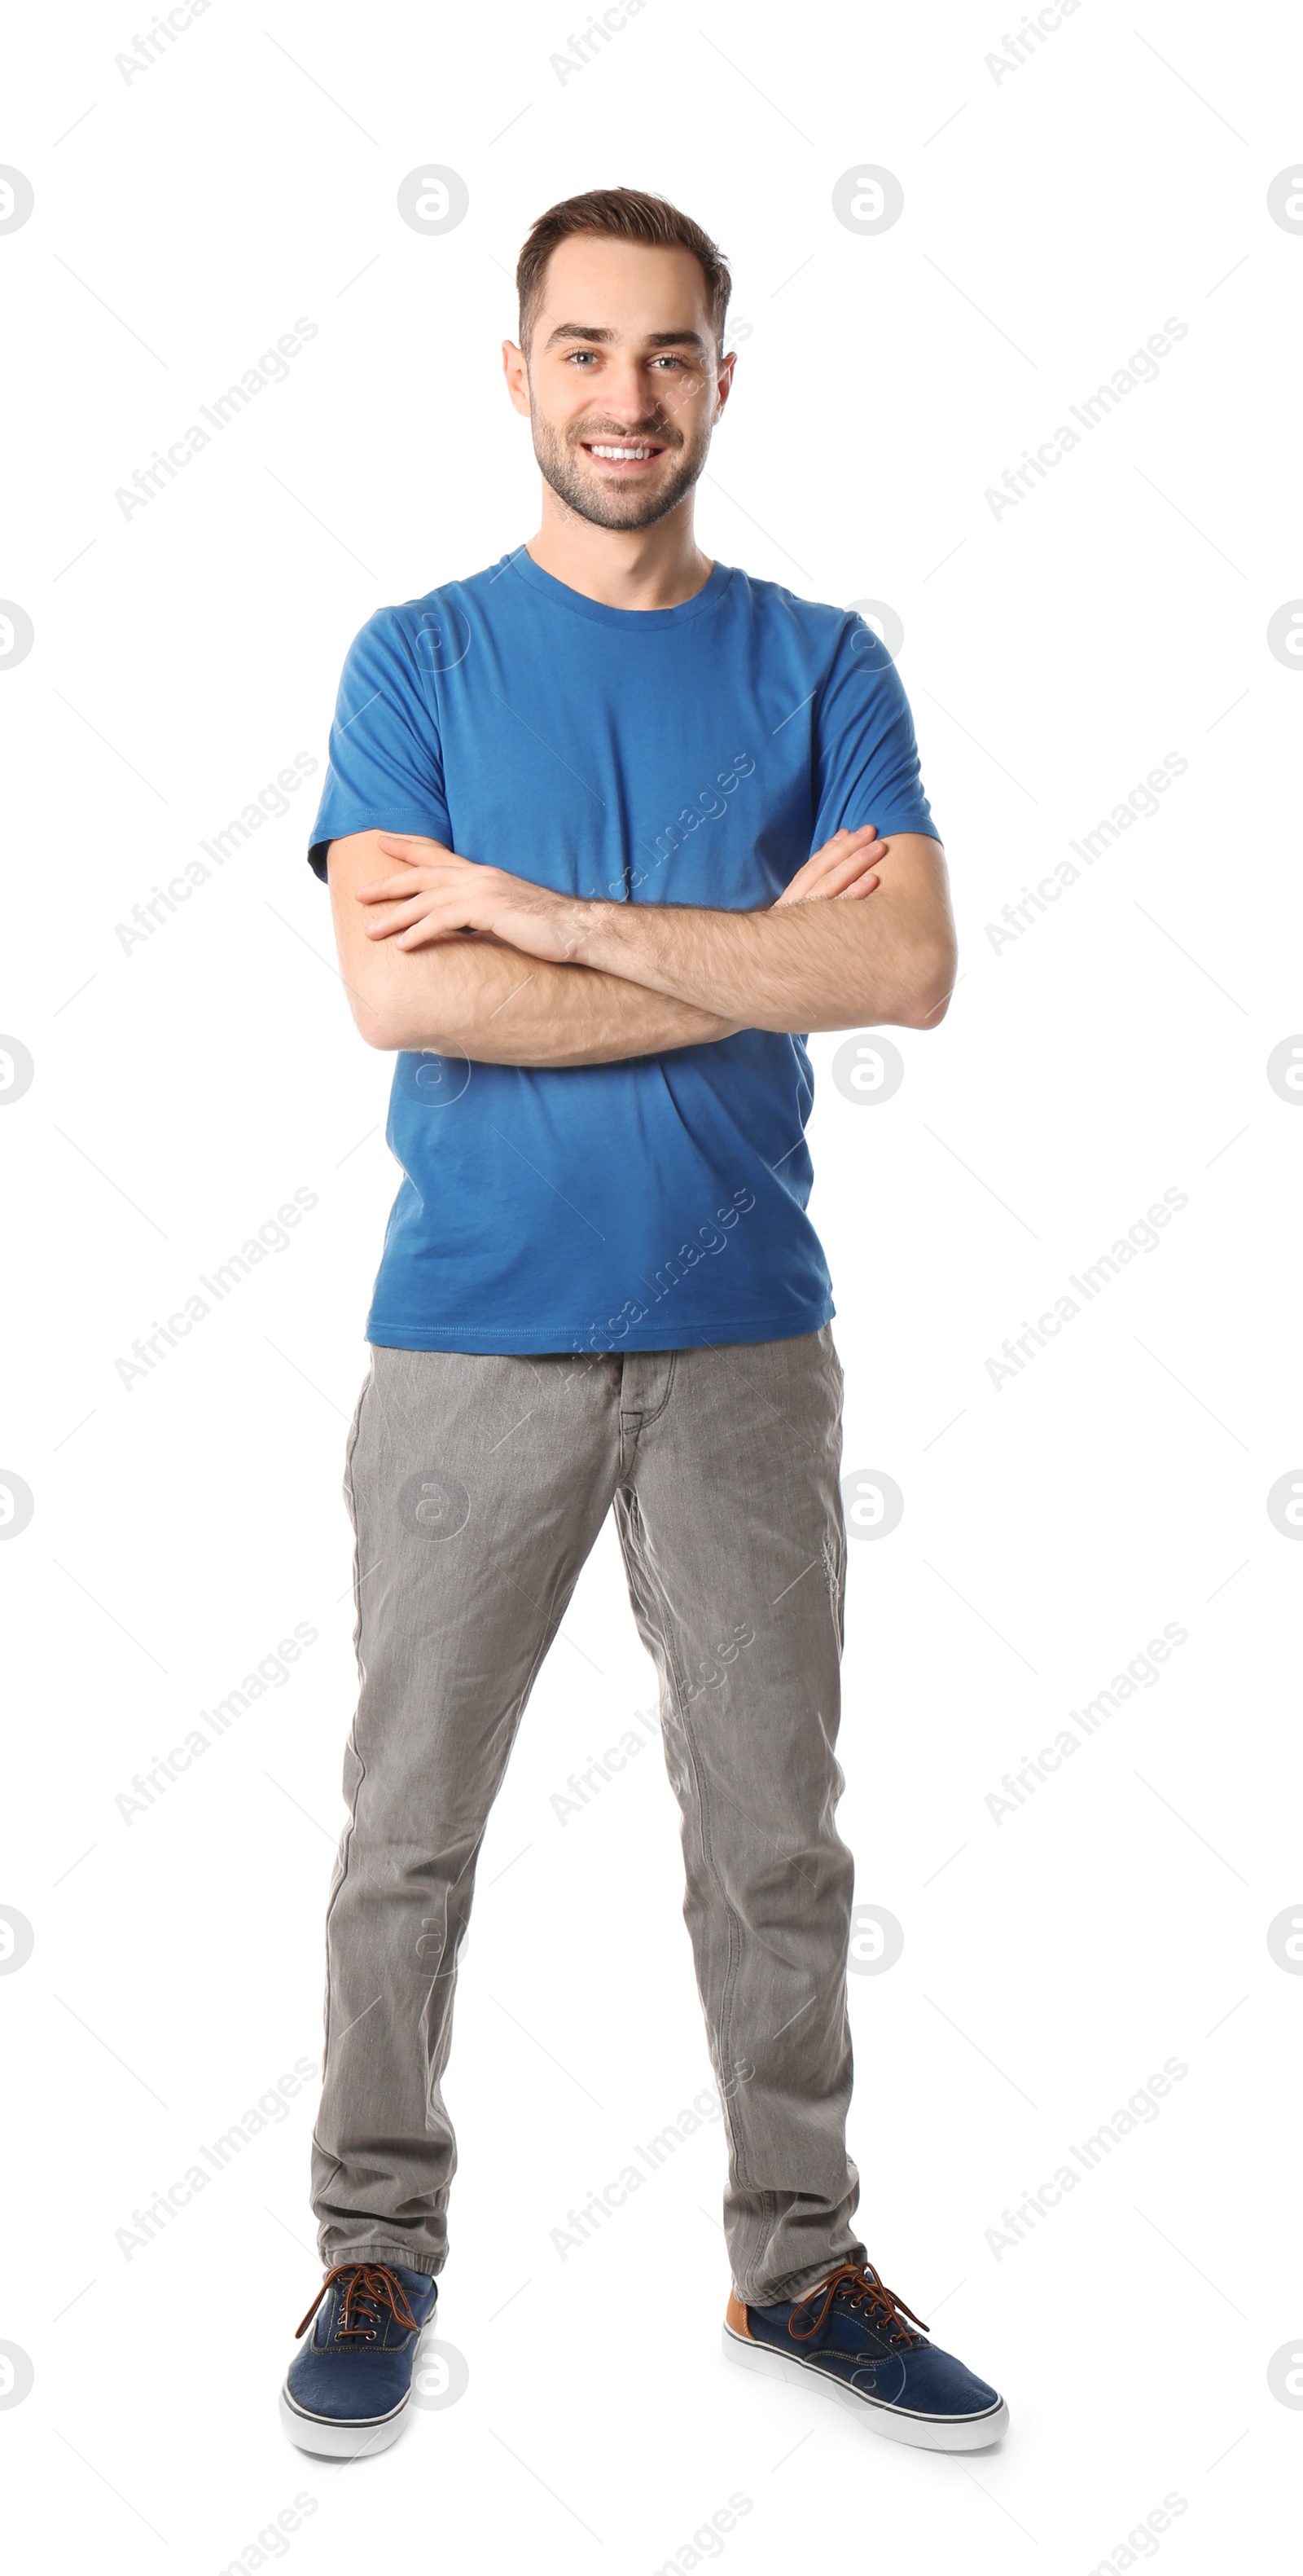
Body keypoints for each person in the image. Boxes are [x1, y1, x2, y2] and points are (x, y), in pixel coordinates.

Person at [279, 186, 1007, 2461]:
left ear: (721, 376)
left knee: (777, 1832)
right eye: (585, 352)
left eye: (671, 354)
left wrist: (548, 922)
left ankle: (801, 2258)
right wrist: (716, 945)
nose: (627, 396)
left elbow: (901, 968)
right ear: (520, 376)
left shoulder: (818, 664)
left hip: (742, 1341)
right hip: (470, 1333)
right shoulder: (415, 657)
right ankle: (372, 2239)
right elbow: (398, 986)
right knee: (410, 1824)